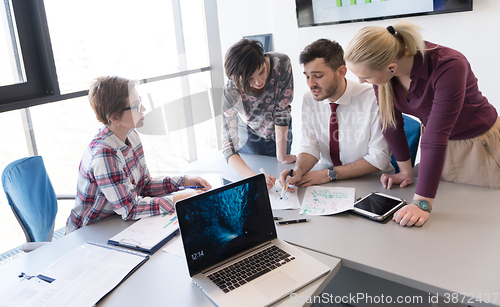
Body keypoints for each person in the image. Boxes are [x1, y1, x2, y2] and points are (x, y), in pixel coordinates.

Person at [345, 21, 500, 227]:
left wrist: (422, 204)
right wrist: (405, 170)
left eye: (364, 76)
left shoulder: (450, 65)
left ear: (392, 67)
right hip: (439, 147)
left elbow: (436, 136)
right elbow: (391, 123)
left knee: (477, 220)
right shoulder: (385, 75)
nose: (362, 82)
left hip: (478, 146)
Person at [66, 76, 211, 233]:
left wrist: (183, 181)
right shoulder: (104, 155)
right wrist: (178, 199)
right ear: (114, 117)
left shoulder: (131, 135)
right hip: (89, 232)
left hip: (115, 223)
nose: (144, 109)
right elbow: (130, 209)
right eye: (136, 106)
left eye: (140, 101)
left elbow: (143, 185)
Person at [279, 39, 393, 190]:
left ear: (341, 72)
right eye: (307, 76)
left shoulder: (373, 98)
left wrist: (329, 174)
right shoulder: (309, 99)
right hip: (329, 183)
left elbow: (379, 158)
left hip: (373, 183)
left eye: (318, 76)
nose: (311, 84)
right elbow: (310, 146)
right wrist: (298, 170)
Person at [222, 38, 296, 187]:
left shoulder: (281, 63)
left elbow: (282, 111)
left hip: (279, 130)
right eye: (249, 79)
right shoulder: (232, 88)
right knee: (256, 187)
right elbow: (228, 144)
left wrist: (281, 155)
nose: (258, 81)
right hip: (249, 134)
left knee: (280, 182)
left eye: (262, 71)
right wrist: (253, 177)